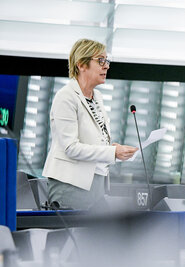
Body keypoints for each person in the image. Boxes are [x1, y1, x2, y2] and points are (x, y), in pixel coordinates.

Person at [43, 38, 137, 209]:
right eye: (101, 61)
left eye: (107, 61)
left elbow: (96, 139)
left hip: (97, 184)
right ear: (81, 64)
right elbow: (71, 148)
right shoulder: (66, 97)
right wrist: (111, 152)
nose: (106, 66)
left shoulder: (97, 97)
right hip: (71, 186)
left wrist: (113, 148)